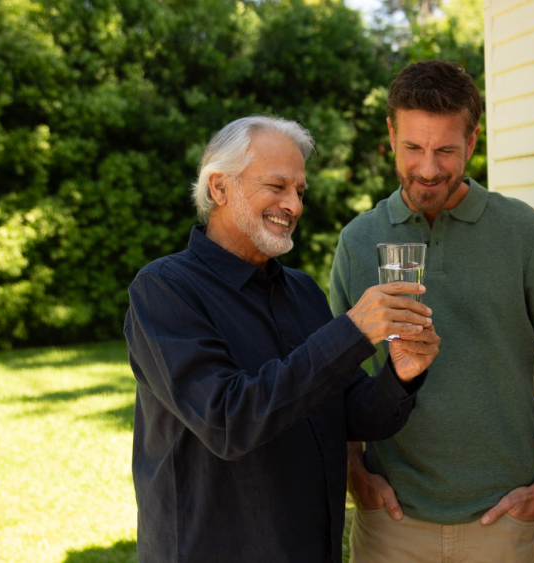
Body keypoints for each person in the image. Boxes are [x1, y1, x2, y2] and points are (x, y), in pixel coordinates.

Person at [123, 115, 441, 563]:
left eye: (300, 191)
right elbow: (228, 421)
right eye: (277, 187)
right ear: (219, 188)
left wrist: (401, 375)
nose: (293, 205)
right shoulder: (164, 289)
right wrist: (350, 332)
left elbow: (350, 414)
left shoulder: (302, 291)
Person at [330, 60, 534, 562]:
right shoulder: (358, 241)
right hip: (391, 523)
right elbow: (334, 377)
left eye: (445, 149)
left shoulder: (522, 232)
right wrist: (356, 475)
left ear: (472, 141)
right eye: (413, 148)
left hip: (501, 521)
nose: (427, 169)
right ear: (391, 134)